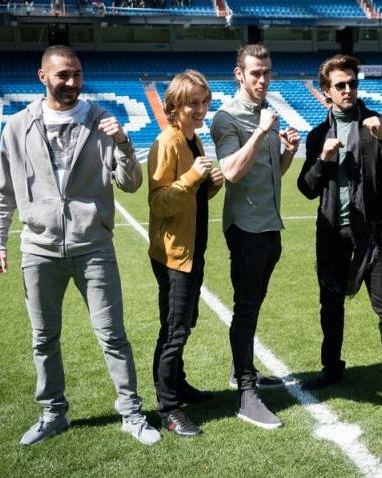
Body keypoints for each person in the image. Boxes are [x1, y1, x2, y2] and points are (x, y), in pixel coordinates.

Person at [0, 45, 160, 446]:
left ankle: (132, 413)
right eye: (63, 75)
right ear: (42, 76)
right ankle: (53, 413)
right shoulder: (17, 126)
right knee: (43, 338)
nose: (71, 83)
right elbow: (3, 191)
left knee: (112, 336)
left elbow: (131, 184)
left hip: (93, 246)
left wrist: (124, 145)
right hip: (39, 249)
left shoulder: (101, 121)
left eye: (77, 75)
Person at [297, 54, 382, 415]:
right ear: (326, 92)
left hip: (372, 233)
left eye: (352, 83)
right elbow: (306, 187)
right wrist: (323, 161)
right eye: (340, 85)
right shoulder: (319, 134)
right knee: (330, 306)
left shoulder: (381, 124)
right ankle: (331, 368)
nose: (348, 90)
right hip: (331, 232)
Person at [210, 44, 301, 429]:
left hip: (270, 225)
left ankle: (239, 370)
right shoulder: (225, 118)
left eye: (266, 72)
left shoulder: (269, 116)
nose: (262, 79)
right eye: (255, 73)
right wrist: (262, 131)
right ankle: (247, 394)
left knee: (255, 304)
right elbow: (230, 171)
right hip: (246, 228)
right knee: (246, 307)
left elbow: (270, 174)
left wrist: (288, 152)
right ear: (239, 74)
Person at [147, 70, 224, 437]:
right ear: (175, 106)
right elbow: (160, 202)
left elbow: (191, 200)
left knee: (185, 323)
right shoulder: (168, 142)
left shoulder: (195, 139)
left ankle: (179, 385)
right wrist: (194, 177)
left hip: (194, 247)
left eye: (204, 101)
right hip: (175, 254)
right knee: (174, 330)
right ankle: (168, 407)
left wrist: (209, 187)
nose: (200, 109)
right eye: (193, 102)